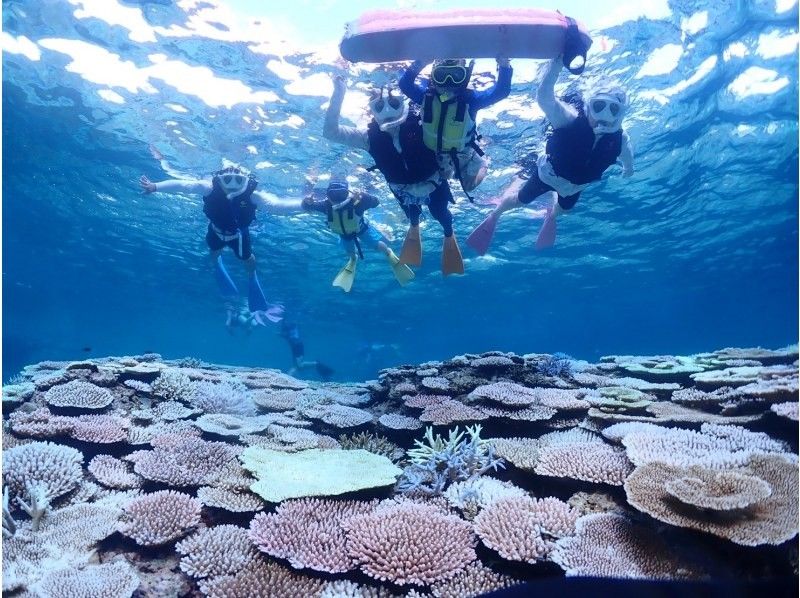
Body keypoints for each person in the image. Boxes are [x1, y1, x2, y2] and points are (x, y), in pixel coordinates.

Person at [466, 57, 634, 254]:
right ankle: (496, 214)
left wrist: (628, 169)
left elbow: (627, 157)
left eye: (613, 109)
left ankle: (552, 214)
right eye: (599, 106)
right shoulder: (569, 119)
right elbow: (545, 97)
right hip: (547, 176)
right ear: (589, 106)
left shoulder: (620, 140)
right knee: (519, 201)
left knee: (564, 210)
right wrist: (557, 64)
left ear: (621, 114)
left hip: (576, 187)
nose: (604, 116)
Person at [323, 75, 464, 275]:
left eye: (394, 103)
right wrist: (339, 92)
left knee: (440, 214)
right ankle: (414, 225)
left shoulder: (423, 122)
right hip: (403, 190)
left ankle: (449, 234)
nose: (388, 111)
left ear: (403, 102)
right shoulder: (367, 137)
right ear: (372, 110)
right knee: (412, 214)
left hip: (433, 182)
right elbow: (330, 132)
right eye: (379, 107)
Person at [139, 166, 299, 321]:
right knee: (214, 253)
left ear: (245, 181)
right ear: (219, 180)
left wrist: (305, 204)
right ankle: (217, 264)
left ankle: (252, 277)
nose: (233, 185)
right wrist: (155, 187)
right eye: (228, 180)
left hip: (239, 236)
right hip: (215, 231)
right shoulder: (208, 188)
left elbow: (277, 206)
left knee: (248, 259)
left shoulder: (253, 196)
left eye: (238, 180)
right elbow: (184, 186)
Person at [398, 57, 513, 198]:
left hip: (463, 153)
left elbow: (501, 92)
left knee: (468, 187)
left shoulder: (471, 100)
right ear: (433, 78)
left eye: (456, 76)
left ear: (465, 77)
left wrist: (504, 65)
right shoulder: (425, 96)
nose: (448, 82)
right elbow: (404, 84)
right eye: (441, 76)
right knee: (427, 184)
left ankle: (484, 162)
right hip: (432, 152)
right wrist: (421, 62)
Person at [301, 175, 414, 293]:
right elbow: (306, 207)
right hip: (344, 235)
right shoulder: (325, 205)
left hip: (361, 230)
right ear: (328, 196)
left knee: (377, 245)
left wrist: (363, 196)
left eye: (341, 194)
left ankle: (388, 253)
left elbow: (376, 202)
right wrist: (306, 202)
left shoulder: (357, 202)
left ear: (347, 193)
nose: (337, 199)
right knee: (349, 251)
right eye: (333, 195)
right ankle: (353, 259)